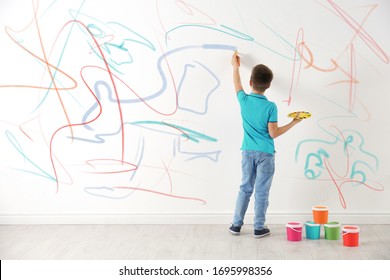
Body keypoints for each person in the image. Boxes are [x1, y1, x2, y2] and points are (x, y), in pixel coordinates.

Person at [229, 51, 303, 238]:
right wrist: (294, 122)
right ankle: (258, 227)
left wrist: (235, 66)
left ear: (251, 82)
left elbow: (237, 84)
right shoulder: (271, 107)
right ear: (269, 86)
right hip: (266, 155)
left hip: (247, 152)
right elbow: (273, 133)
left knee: (245, 188)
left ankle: (236, 225)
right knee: (261, 191)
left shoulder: (243, 100)